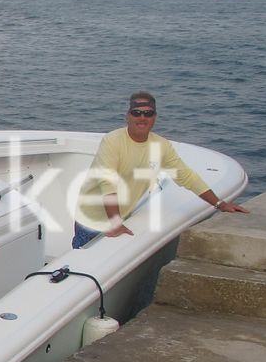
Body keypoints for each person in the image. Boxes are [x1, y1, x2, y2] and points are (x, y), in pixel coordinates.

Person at [73, 91, 248, 249]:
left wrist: (220, 204)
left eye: (148, 113)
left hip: (121, 215)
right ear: (127, 116)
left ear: (155, 117)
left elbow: (187, 177)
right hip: (91, 217)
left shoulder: (161, 146)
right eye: (137, 112)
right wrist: (115, 222)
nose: (142, 117)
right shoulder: (112, 141)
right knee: (80, 260)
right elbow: (107, 181)